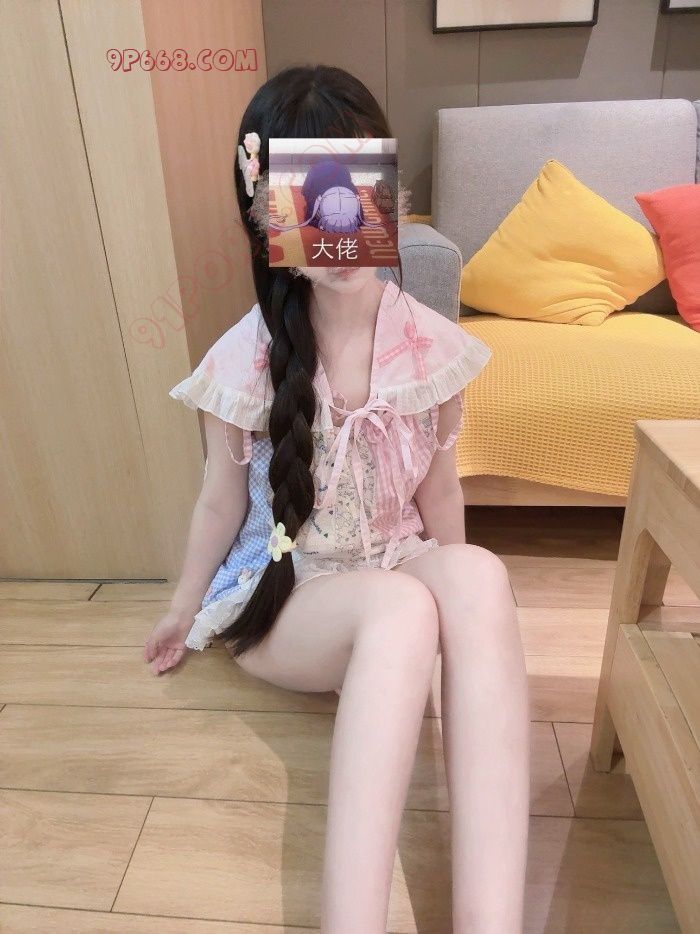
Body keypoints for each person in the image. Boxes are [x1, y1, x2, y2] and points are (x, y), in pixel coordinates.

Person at [144, 64, 530, 934]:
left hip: (392, 561)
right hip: (289, 594)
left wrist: (465, 605)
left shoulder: (431, 348)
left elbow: (440, 488)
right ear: (264, 212)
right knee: (400, 608)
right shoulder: (244, 359)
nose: (340, 216)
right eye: (309, 190)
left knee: (478, 574)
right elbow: (219, 503)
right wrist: (181, 608)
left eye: (360, 181)